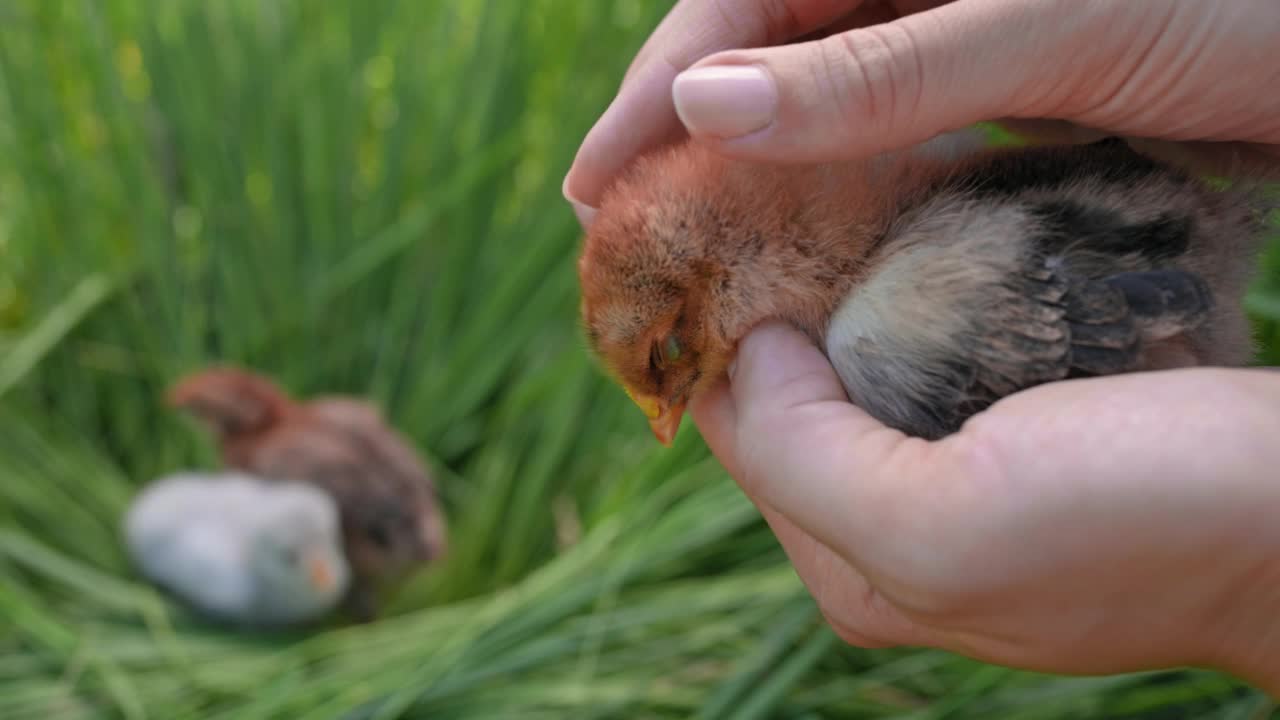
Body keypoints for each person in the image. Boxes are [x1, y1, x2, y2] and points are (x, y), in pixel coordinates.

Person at [562, 0, 1280, 694]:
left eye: (666, 358)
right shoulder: (889, 232)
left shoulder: (890, 332)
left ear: (715, 276)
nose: (667, 407)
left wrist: (1242, 575)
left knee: (884, 347)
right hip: (1158, 195)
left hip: (1159, 260)